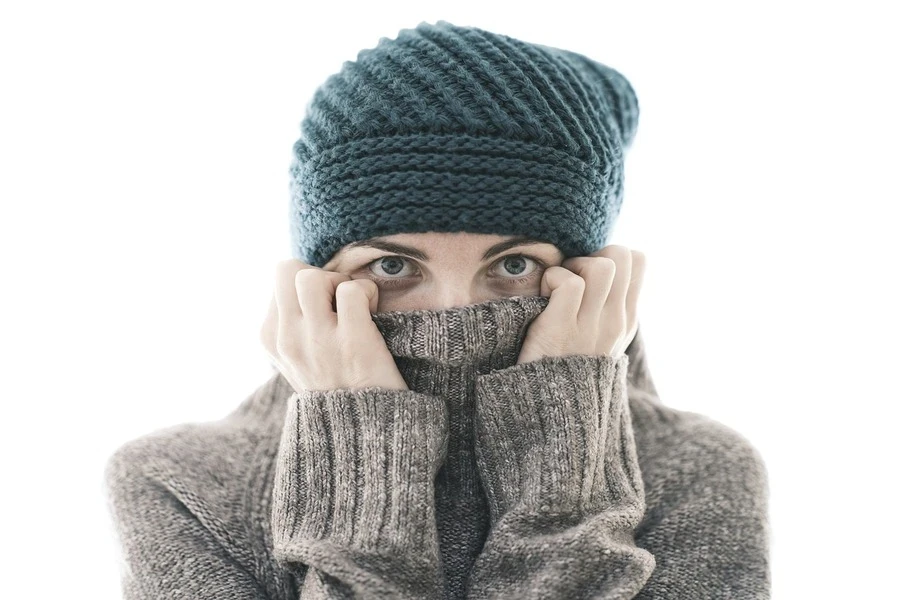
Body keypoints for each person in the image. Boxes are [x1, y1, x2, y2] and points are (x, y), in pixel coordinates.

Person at [103, 20, 770, 599]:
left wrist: (564, 469)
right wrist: (359, 451)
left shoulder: (699, 471)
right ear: (315, 280)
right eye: (393, 267)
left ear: (594, 280)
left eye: (514, 266)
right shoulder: (180, 484)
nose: (453, 310)